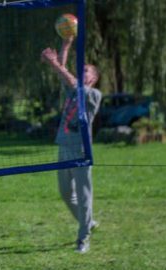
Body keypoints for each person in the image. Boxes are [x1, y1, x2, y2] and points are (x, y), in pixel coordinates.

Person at [41, 37, 102, 254]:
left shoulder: (93, 95)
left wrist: (53, 62)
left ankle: (83, 239)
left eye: (86, 71)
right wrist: (66, 44)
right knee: (66, 193)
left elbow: (70, 79)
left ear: (93, 79)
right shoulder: (72, 92)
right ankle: (89, 222)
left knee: (84, 197)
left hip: (81, 151)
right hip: (63, 146)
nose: (81, 72)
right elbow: (64, 75)